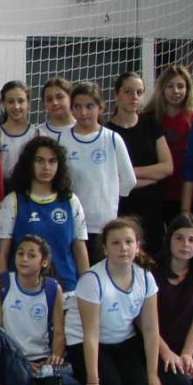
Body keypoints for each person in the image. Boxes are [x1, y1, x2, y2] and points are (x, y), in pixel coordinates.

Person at [0, 137, 90, 325]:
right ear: (29, 164)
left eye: (52, 161)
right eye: (39, 160)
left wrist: (87, 287)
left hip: (67, 291)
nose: (46, 167)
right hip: (23, 293)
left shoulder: (70, 201)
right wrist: (1, 292)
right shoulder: (13, 201)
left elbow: (80, 249)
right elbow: (2, 253)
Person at [69, 218, 163, 385]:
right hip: (84, 340)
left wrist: (152, 375)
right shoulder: (92, 280)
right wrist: (92, 382)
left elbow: (151, 331)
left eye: (129, 242)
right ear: (105, 249)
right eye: (115, 243)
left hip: (122, 339)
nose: (123, 248)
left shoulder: (146, 277)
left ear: (137, 247)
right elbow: (91, 334)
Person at [58, 82, 136, 260]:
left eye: (89, 106)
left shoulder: (112, 138)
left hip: (103, 224)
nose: (83, 112)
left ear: (100, 108)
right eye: (77, 106)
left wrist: (109, 199)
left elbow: (129, 179)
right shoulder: (63, 139)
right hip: (72, 222)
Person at [0, 235, 70, 385]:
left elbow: (59, 332)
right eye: (20, 253)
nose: (24, 259)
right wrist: (20, 361)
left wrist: (54, 358)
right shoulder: (2, 282)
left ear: (44, 262)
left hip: (42, 357)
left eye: (31, 255)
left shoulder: (53, 288)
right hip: (12, 355)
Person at [108, 71, 172, 253]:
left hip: (152, 208)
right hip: (122, 208)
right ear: (117, 94)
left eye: (139, 92)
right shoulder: (107, 132)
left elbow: (167, 167)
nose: (134, 97)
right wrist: (152, 177)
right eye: (128, 92)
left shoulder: (151, 125)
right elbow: (112, 179)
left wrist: (129, 173)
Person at [152, 214, 193, 385]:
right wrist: (166, 353)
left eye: (192, 240)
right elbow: (144, 321)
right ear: (169, 239)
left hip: (184, 343)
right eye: (179, 238)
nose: (185, 245)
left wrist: (187, 355)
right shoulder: (153, 268)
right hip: (156, 344)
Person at [147, 63, 193, 227]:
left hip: (188, 195)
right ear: (161, 88)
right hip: (155, 192)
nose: (175, 91)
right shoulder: (148, 118)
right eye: (170, 86)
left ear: (188, 89)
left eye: (180, 86)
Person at [0, 81, 38, 180]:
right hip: (3, 186)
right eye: (10, 102)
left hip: (28, 185)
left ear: (28, 103)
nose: (16, 106)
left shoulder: (36, 134)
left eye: (21, 101)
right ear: (3, 104)